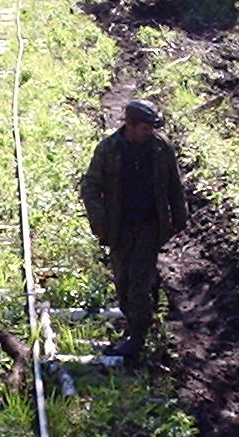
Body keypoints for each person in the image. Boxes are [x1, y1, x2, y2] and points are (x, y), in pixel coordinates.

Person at [78, 98, 186, 362]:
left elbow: (174, 184)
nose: (150, 133)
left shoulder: (160, 148)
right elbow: (90, 186)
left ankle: (138, 339)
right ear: (130, 124)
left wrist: (179, 216)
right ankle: (139, 321)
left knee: (138, 281)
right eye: (145, 128)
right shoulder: (109, 149)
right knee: (123, 282)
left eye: (152, 128)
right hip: (119, 227)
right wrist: (98, 220)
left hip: (149, 226)